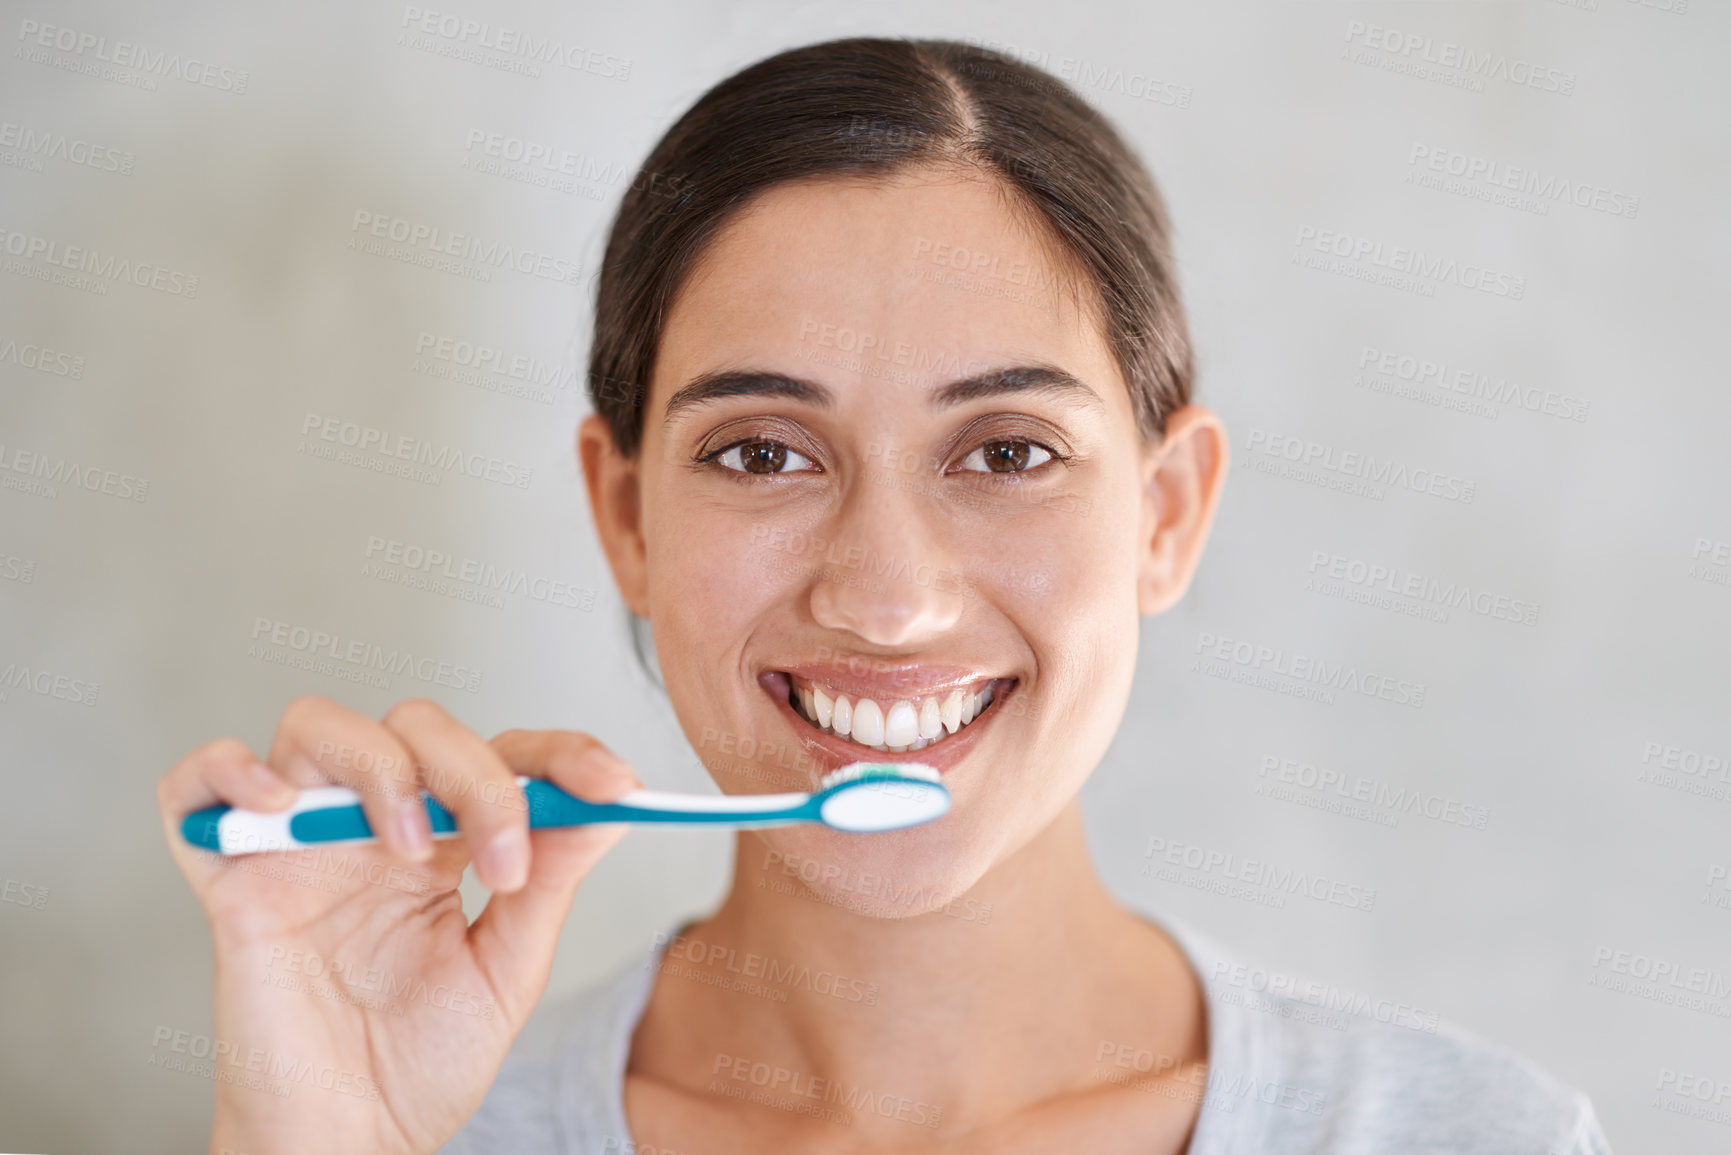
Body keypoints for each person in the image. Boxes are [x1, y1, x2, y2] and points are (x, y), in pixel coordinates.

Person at [157, 36, 1612, 1154]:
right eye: (765, 452)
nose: (888, 599)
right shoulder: (418, 1129)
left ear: (1165, 513)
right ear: (626, 517)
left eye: (1007, 451)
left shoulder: (1476, 1137)